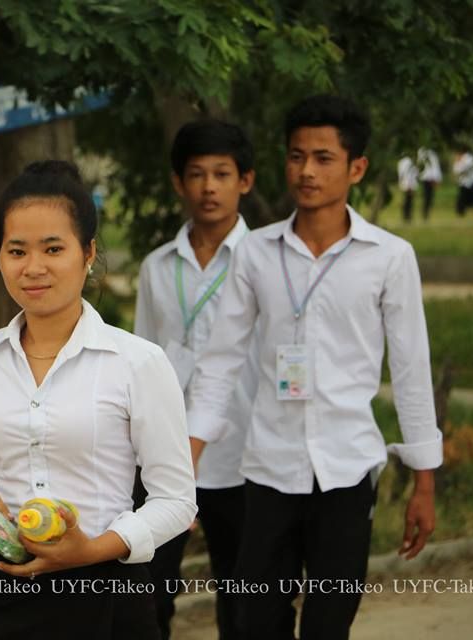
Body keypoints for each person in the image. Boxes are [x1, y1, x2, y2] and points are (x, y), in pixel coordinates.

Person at [188, 95, 443, 640]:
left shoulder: (389, 257)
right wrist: (185, 468)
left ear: (357, 168)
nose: (307, 171)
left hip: (347, 473)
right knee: (256, 621)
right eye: (297, 156)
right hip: (267, 472)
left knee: (328, 626)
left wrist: (424, 482)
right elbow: (220, 363)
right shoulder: (257, 253)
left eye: (324, 158)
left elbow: (411, 370)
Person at [0, 160, 197, 640]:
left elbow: (176, 500)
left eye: (53, 248)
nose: (33, 267)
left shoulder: (138, 362)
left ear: (88, 252)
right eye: (17, 250)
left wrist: (92, 549)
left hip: (107, 593)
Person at [133, 119, 265, 640]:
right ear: (178, 182)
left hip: (243, 454)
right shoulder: (157, 266)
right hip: (166, 454)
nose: (209, 187)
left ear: (245, 181)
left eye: (222, 174)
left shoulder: (265, 261)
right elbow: (142, 357)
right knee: (150, 592)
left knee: (243, 596)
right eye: (196, 174)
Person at [453, 149, 473, 216]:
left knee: (470, 197)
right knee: (462, 196)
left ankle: (467, 209)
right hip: (464, 181)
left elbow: (466, 168)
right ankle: (460, 211)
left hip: (471, 180)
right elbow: (456, 170)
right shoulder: (459, 160)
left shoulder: (468, 158)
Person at [417, 148, 442, 220]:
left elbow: (435, 167)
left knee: (429, 198)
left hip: (431, 178)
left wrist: (437, 179)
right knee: (427, 197)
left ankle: (426, 214)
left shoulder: (433, 153)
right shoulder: (422, 151)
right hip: (426, 178)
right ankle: (425, 214)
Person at [396, 155, 418, 223]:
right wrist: (409, 185)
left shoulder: (401, 162)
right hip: (408, 184)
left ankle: (406, 216)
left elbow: (401, 174)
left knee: (407, 201)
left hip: (405, 184)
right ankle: (407, 216)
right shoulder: (409, 162)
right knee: (408, 201)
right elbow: (410, 175)